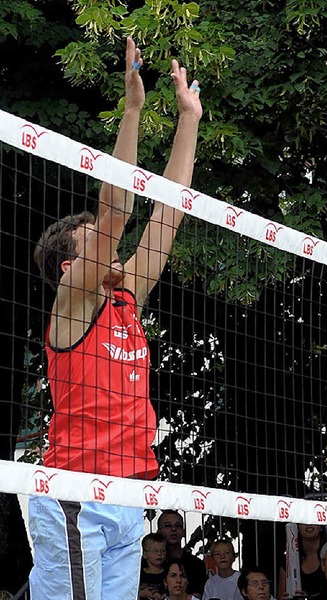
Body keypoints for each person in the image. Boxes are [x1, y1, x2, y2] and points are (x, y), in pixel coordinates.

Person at [29, 37, 202, 600]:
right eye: (97, 245)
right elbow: (117, 210)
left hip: (130, 494)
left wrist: (188, 121)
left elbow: (169, 212)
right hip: (76, 494)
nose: (115, 251)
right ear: (70, 265)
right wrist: (132, 111)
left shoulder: (125, 300)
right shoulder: (74, 301)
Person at [158, 510, 207, 598]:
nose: (173, 529)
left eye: (178, 525)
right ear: (159, 532)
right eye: (168, 525)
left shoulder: (196, 564)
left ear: (184, 532)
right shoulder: (147, 563)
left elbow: (198, 595)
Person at [278, 524, 327, 599]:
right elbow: (281, 595)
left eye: (313, 520)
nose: (309, 524)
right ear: (297, 528)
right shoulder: (288, 559)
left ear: (321, 527)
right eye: (304, 521)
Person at [140, 532, 169, 600]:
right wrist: (142, 593)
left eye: (162, 551)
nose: (159, 554)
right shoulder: (138, 574)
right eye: (155, 551)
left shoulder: (169, 573)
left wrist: (166, 596)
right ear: (145, 554)